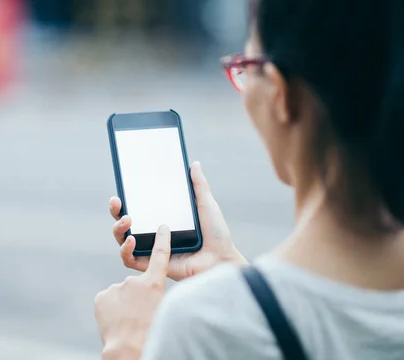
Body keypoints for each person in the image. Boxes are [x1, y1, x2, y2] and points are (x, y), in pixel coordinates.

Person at [94, 0, 404, 359]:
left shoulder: (203, 327)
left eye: (244, 67)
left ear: (279, 93)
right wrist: (231, 268)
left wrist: (129, 348)